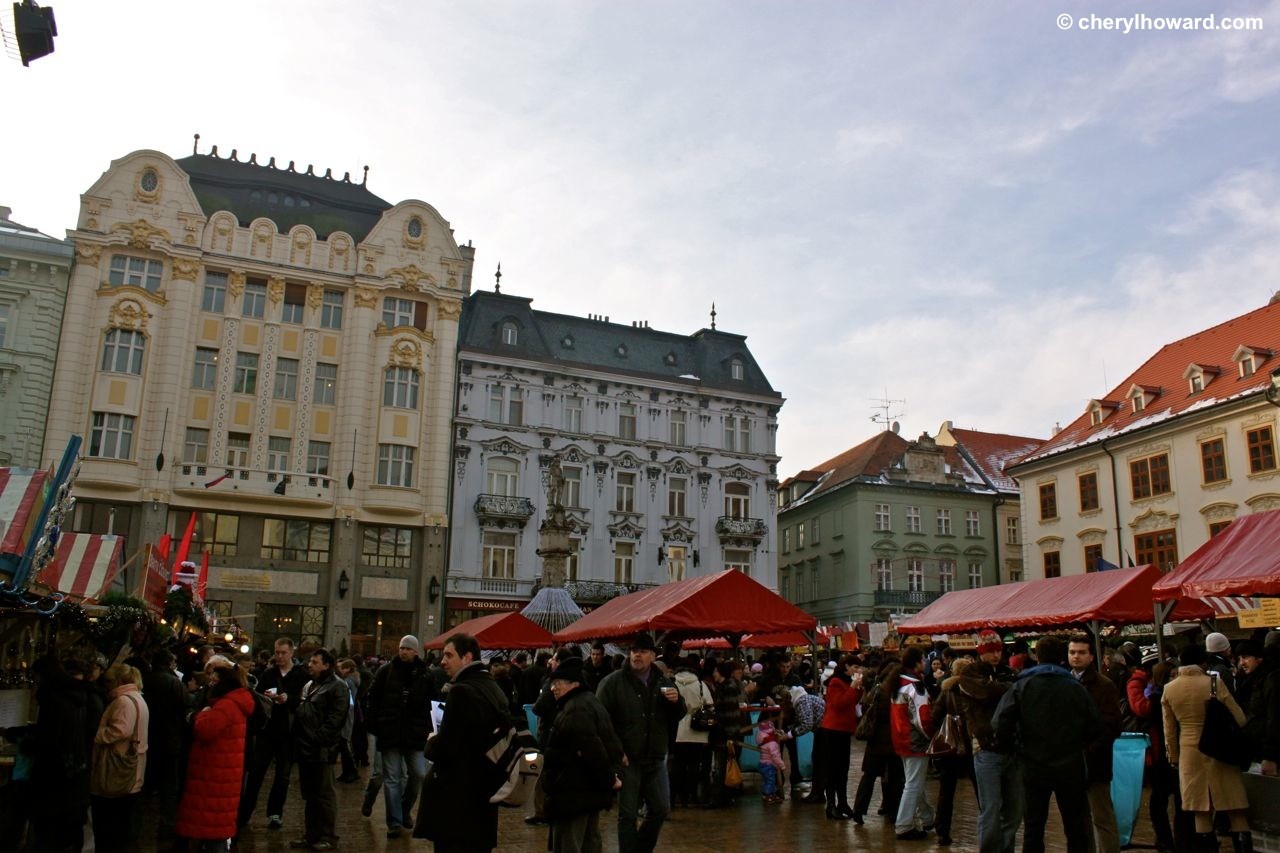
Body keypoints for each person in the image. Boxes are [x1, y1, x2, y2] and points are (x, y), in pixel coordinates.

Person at [992, 635, 1100, 853]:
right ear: (1062, 657)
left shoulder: (1022, 686)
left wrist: (1013, 748)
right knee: (1076, 825)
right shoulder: (1076, 688)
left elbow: (1000, 722)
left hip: (1032, 764)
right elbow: (1095, 725)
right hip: (1070, 765)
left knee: (1033, 826)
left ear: (1036, 656)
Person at [415, 632, 512, 852]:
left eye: (449, 655)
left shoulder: (462, 691)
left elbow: (448, 747)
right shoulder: (491, 686)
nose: (443, 661)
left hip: (458, 801)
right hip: (483, 794)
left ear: (467, 657)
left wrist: (432, 741)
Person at [595, 632, 687, 853]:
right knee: (627, 813)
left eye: (643, 652)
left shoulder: (662, 681)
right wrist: (616, 751)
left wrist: (677, 702)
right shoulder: (613, 683)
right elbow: (600, 721)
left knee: (660, 809)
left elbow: (678, 713)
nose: (637, 655)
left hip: (655, 757)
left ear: (653, 656)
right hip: (628, 759)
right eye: (634, 651)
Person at [1162, 644, 1253, 853]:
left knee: (1200, 810)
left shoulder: (1170, 689)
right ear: (1202, 662)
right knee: (1234, 806)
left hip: (1189, 751)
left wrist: (1174, 757)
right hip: (1220, 749)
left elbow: (1169, 731)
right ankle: (1243, 845)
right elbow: (1239, 718)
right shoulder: (1214, 682)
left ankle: (1207, 846)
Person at [542, 655, 626, 853]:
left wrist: (609, 778)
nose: (553, 688)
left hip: (573, 792)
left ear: (574, 684)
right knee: (590, 841)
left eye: (558, 683)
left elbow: (591, 750)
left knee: (570, 844)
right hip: (586, 791)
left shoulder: (576, 710)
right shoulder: (588, 702)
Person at [174, 655, 255, 852]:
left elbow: (205, 730)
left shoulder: (225, 705)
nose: (210, 683)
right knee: (214, 827)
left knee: (214, 830)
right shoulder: (234, 702)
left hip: (215, 775)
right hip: (221, 774)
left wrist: (199, 716)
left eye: (213, 680)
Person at [954, 629, 1020, 853]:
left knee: (1014, 810)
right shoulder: (969, 675)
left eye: (998, 650)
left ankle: (1006, 848)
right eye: (990, 651)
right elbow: (985, 692)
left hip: (1012, 747)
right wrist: (1009, 689)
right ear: (981, 651)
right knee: (991, 808)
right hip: (986, 748)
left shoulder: (1008, 672)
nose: (995, 655)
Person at [366, 635, 433, 839]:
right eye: (401, 647)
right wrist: (376, 726)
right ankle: (394, 821)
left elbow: (431, 703)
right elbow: (373, 699)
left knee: (419, 774)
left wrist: (427, 728)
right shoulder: (386, 671)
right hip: (391, 732)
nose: (403, 651)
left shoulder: (425, 674)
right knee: (392, 779)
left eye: (407, 648)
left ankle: (404, 808)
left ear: (415, 651)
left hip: (415, 735)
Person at [240, 637, 310, 830]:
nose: (279, 656)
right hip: (268, 730)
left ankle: (275, 812)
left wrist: (290, 699)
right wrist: (267, 698)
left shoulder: (301, 674)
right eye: (277, 652)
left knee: (283, 775)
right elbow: (258, 697)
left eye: (283, 653)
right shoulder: (269, 673)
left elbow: (305, 700)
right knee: (256, 773)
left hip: (288, 732)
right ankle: (245, 812)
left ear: (292, 653)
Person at [289, 647, 349, 852]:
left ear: (326, 665)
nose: (310, 665)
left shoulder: (337, 687)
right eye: (310, 662)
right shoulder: (309, 685)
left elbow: (336, 719)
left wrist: (318, 738)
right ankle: (311, 834)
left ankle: (328, 836)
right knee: (310, 795)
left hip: (322, 749)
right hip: (305, 748)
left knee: (324, 794)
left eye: (315, 662)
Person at [1068, 635, 1122, 853]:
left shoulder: (1103, 684)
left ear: (1091, 656)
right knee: (1078, 818)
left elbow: (1113, 724)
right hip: (1071, 761)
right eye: (1072, 652)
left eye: (1081, 652)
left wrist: (1092, 747)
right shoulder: (1065, 682)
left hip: (1095, 760)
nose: (1076, 656)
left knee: (1102, 816)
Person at [90, 663, 150, 853]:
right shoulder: (137, 698)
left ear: (119, 681)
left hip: (118, 766)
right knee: (121, 823)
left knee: (110, 824)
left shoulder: (123, 701)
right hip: (132, 766)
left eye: (109, 681)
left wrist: (96, 735)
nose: (106, 685)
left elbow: (120, 730)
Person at [851, 661, 905, 824]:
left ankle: (858, 810)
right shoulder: (894, 692)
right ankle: (893, 811)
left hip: (875, 741)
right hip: (891, 740)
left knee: (869, 776)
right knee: (894, 778)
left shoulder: (876, 689)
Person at [143, 647, 186, 847]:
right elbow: (185, 706)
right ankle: (167, 825)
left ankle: (138, 823)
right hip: (170, 740)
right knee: (169, 786)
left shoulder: (146, 679)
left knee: (145, 783)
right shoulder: (174, 683)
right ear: (170, 663)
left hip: (148, 738)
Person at [891, 646, 935, 841]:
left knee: (914, 781)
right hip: (915, 741)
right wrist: (932, 737)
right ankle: (904, 824)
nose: (925, 663)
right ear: (916, 663)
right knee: (913, 784)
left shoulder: (898, 684)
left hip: (901, 739)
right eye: (923, 659)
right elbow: (922, 719)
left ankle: (927, 817)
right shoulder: (916, 687)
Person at [934, 657, 978, 847]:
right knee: (981, 790)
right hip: (971, 746)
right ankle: (990, 827)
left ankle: (942, 831)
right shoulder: (976, 689)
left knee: (946, 791)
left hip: (950, 746)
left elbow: (934, 716)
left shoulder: (945, 691)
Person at [816, 654, 861, 820]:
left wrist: (858, 688)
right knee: (833, 769)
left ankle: (842, 802)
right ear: (846, 667)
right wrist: (853, 688)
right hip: (832, 730)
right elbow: (839, 704)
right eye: (855, 667)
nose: (857, 670)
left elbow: (853, 702)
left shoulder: (848, 683)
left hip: (844, 730)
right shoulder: (835, 682)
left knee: (843, 768)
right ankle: (831, 805)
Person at [670, 655, 714, 807]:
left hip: (676, 730)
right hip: (697, 731)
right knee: (694, 765)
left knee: (677, 765)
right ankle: (692, 796)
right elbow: (709, 705)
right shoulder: (701, 684)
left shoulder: (672, 683)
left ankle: (675, 797)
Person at [708, 659, 749, 809]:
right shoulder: (724, 687)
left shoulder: (728, 688)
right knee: (722, 765)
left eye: (716, 671)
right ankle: (723, 797)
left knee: (722, 766)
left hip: (725, 734)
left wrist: (730, 736)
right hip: (724, 732)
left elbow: (731, 713)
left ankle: (720, 798)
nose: (713, 674)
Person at [756, 714, 787, 803]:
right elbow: (776, 756)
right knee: (770, 780)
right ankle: (768, 795)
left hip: (763, 764)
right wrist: (782, 766)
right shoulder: (772, 743)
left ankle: (771, 794)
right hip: (769, 765)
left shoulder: (762, 739)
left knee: (768, 780)